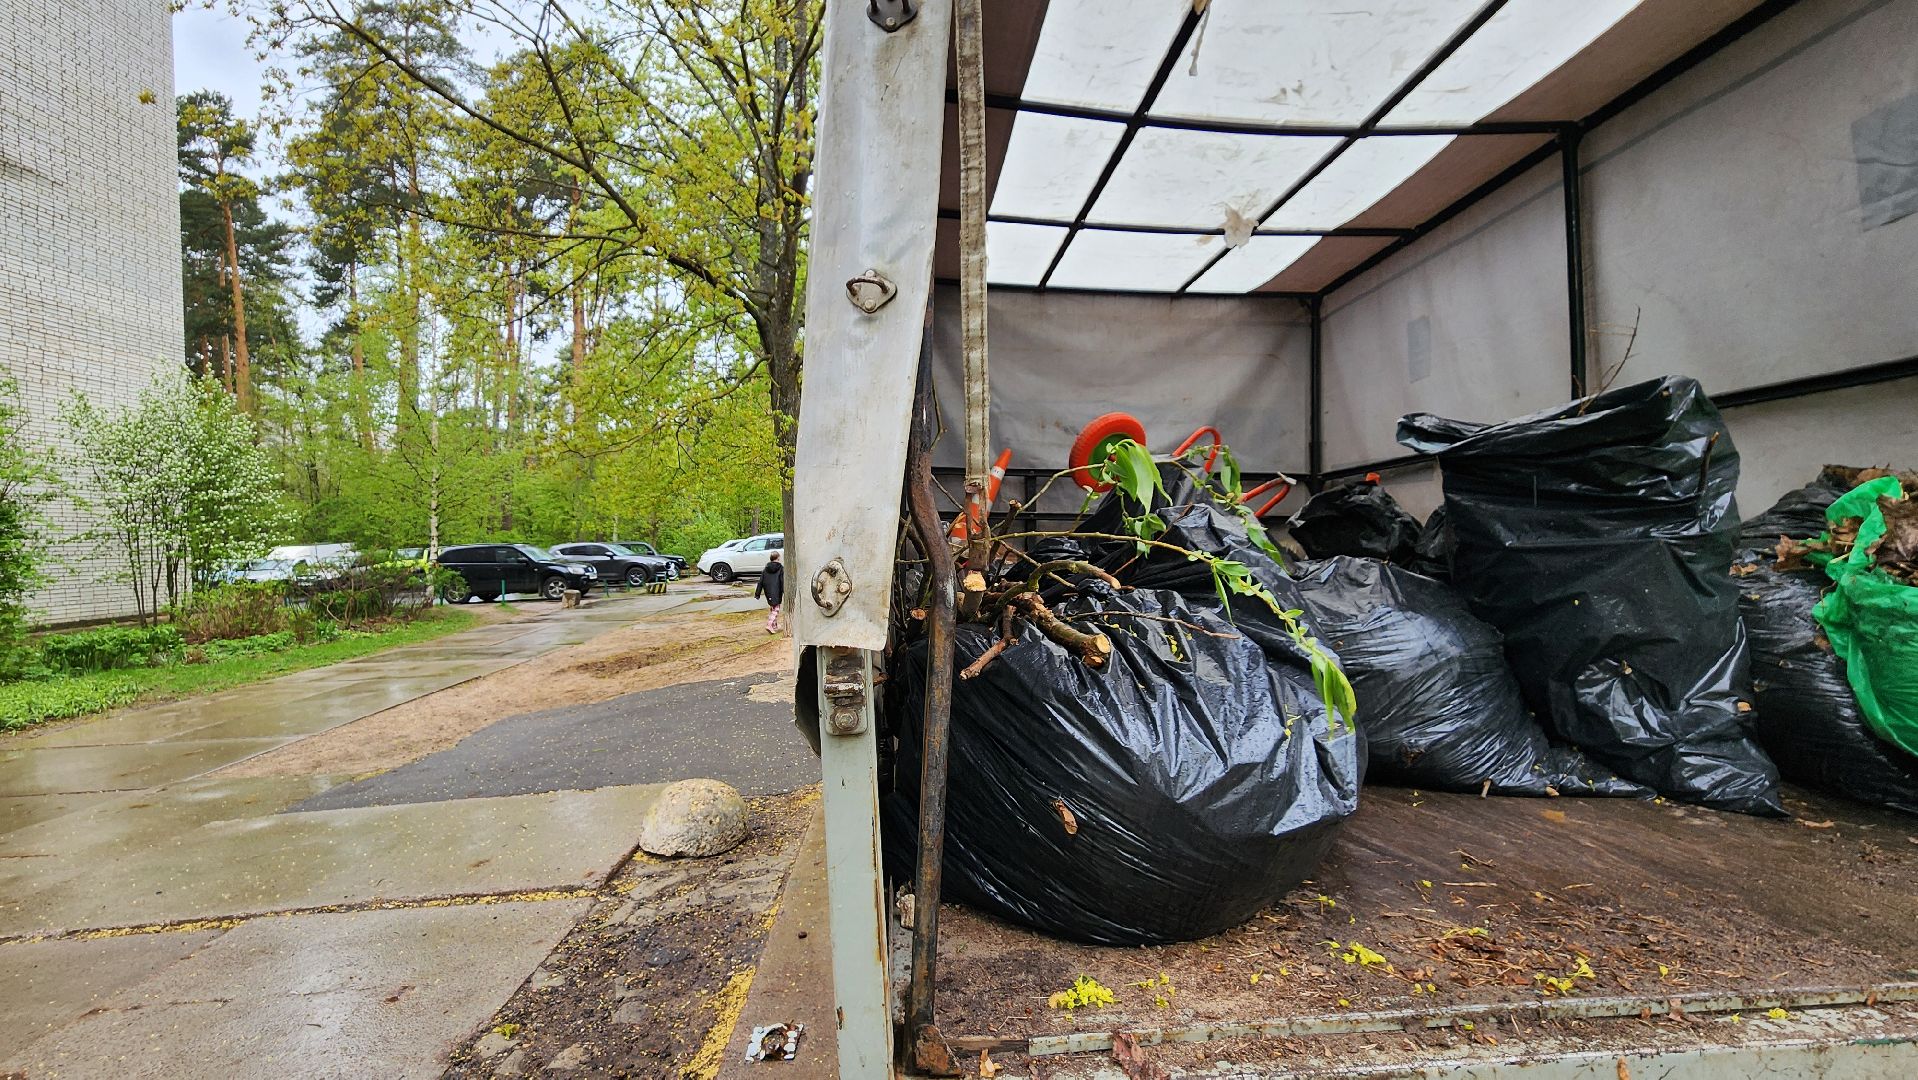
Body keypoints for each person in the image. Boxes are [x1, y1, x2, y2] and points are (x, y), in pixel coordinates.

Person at [755, 551, 786, 634]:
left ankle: (774, 626)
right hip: (776, 591)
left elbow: (760, 581)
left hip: (768, 591)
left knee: (773, 607)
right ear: (778, 558)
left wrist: (757, 593)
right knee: (776, 609)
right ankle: (769, 625)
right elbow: (782, 580)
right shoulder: (780, 568)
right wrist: (784, 591)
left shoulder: (766, 569)